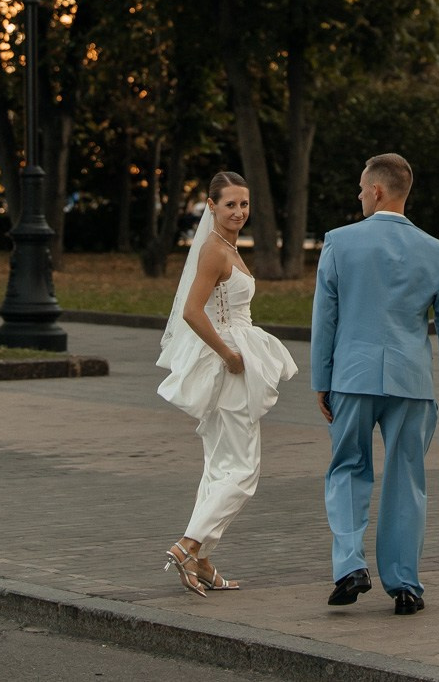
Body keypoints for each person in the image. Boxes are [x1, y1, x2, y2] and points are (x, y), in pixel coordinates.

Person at [311, 152, 439, 616]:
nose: (358, 195)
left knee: (346, 469)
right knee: (407, 481)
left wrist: (322, 378)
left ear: (376, 190)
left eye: (361, 188)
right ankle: (404, 586)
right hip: (412, 381)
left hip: (352, 377)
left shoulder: (339, 242)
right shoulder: (436, 251)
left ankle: (350, 566)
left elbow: (326, 316)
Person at [156, 170, 297, 595]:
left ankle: (200, 560)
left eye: (244, 204)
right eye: (230, 204)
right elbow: (192, 311)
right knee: (242, 470)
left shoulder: (226, 247)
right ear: (211, 206)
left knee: (219, 468)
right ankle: (186, 546)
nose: (239, 212)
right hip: (230, 367)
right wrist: (228, 354)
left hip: (235, 362)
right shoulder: (215, 252)